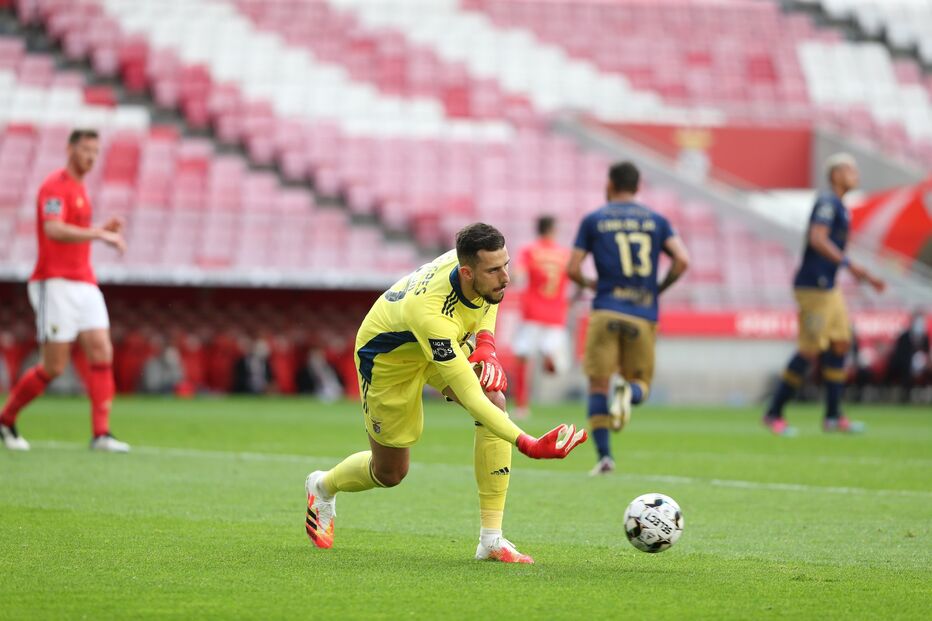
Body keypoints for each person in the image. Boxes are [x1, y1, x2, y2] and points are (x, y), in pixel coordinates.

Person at [303, 223, 587, 563]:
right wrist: (527, 443)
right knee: (390, 473)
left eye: (506, 265)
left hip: (437, 342)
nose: (506, 277)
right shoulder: (432, 313)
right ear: (466, 272)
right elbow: (471, 398)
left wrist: (486, 343)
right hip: (387, 359)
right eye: (494, 270)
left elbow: (490, 299)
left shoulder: (478, 271)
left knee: (495, 396)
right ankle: (322, 486)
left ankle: (491, 539)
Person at [0, 129, 129, 452]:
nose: (91, 157)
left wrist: (99, 229)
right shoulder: (54, 186)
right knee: (54, 366)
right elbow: (53, 229)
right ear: (70, 150)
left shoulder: (81, 189)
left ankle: (101, 434)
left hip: (84, 281)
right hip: (54, 282)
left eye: (95, 152)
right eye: (86, 150)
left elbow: (74, 231)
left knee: (102, 351)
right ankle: (5, 419)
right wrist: (99, 234)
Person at [567, 162, 690, 476]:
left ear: (610, 185)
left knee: (598, 383)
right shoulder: (657, 221)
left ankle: (605, 457)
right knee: (641, 383)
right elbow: (681, 260)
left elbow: (573, 268)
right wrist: (657, 289)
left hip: (606, 309)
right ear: (637, 187)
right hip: (642, 313)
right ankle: (628, 394)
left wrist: (590, 284)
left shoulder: (594, 220)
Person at [763, 153, 886, 436]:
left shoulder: (841, 207)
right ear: (836, 175)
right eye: (850, 170)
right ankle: (773, 413)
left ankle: (833, 415)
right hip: (813, 286)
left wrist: (865, 275)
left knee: (841, 343)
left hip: (829, 287)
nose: (856, 175)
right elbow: (817, 239)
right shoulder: (827, 203)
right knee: (809, 349)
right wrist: (851, 266)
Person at [510, 215, 572, 419]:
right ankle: (550, 354)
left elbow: (518, 275)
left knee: (522, 357)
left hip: (532, 312)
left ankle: (521, 406)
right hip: (556, 313)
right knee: (556, 364)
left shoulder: (529, 251)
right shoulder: (564, 254)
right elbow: (576, 279)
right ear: (553, 230)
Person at [885, 311, 930, 402]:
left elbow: (926, 353)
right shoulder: (904, 337)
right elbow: (900, 355)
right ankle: (905, 396)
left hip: (921, 366)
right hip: (905, 365)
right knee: (905, 373)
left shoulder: (925, 338)